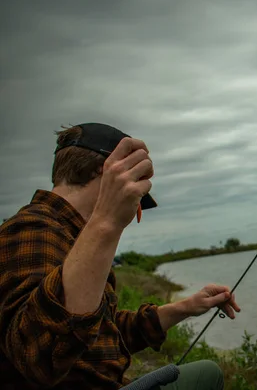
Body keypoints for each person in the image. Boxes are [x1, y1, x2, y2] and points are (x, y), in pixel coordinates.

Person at [0, 122, 241, 390]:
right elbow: (36, 358)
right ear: (106, 172)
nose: (136, 207)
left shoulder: (76, 241)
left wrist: (186, 306)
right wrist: (107, 222)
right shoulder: (32, 229)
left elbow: (104, 334)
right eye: (135, 193)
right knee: (209, 373)